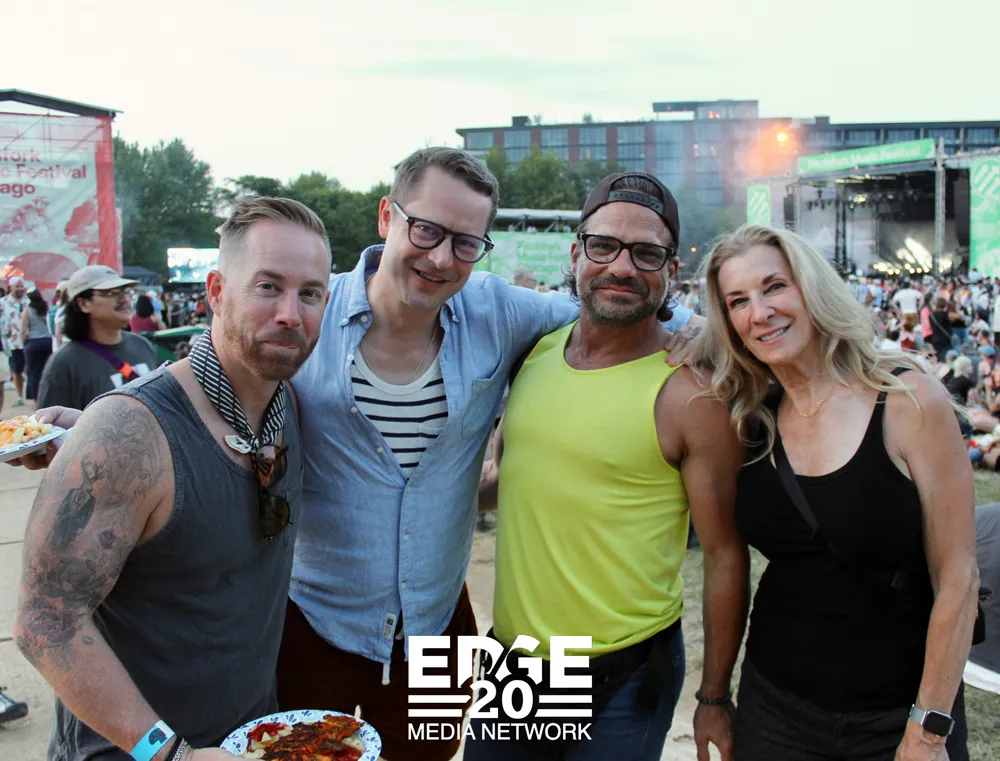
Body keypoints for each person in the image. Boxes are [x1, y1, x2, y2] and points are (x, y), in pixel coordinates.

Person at [277, 149, 702, 761]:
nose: (441, 258)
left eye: (466, 243)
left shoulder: (496, 312)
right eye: (426, 230)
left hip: (437, 632)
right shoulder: (310, 316)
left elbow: (613, 304)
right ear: (386, 217)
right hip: (317, 625)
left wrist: (707, 327)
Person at [14, 196, 331, 761]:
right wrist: (170, 753)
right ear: (216, 292)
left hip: (248, 741)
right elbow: (46, 621)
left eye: (310, 293)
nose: (290, 313)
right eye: (268, 286)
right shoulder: (129, 432)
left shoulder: (288, 408)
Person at [467, 173, 747, 761]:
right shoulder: (536, 356)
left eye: (646, 253)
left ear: (671, 271)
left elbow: (724, 554)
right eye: (604, 246)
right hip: (514, 664)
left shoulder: (691, 395)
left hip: (625, 671)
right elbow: (511, 480)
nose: (622, 267)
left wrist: (714, 695)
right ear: (576, 255)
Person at [699, 224, 979, 761]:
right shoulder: (753, 417)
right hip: (775, 709)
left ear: (812, 287)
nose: (760, 312)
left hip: (898, 714)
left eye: (774, 286)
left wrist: (926, 731)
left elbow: (959, 579)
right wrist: (714, 697)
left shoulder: (906, 400)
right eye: (738, 301)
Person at [36, 266, 160, 411]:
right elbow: (51, 422)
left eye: (126, 292)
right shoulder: (64, 363)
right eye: (112, 293)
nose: (125, 299)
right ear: (83, 304)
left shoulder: (141, 345)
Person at [19, 288, 53, 406]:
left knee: (34, 373)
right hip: (48, 342)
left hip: (33, 343)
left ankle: (36, 401)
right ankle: (48, 399)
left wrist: (23, 344)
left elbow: (23, 330)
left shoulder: (27, 311)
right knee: (47, 372)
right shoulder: (46, 309)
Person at [0, 275, 28, 406]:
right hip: (12, 342)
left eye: (21, 286)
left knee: (31, 369)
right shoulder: (3, 302)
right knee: (17, 370)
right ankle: (19, 395)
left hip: (28, 340)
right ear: (11, 287)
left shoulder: (29, 301)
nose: (20, 289)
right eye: (17, 286)